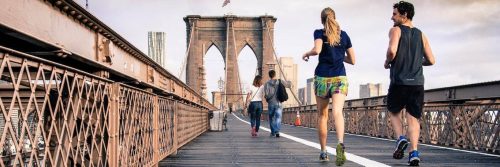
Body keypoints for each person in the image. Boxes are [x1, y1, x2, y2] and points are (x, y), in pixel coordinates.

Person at [302, 7, 356, 165]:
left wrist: (306, 53)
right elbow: (353, 60)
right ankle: (340, 144)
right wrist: (340, 55)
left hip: (322, 78)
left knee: (323, 116)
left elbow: (317, 49)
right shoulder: (344, 35)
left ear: (321, 19)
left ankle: (324, 151)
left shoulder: (319, 32)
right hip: (339, 77)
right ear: (334, 17)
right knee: (338, 113)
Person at [384, 1, 435, 166]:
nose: (392, 17)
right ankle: (413, 153)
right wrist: (417, 62)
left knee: (393, 111)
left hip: (399, 81)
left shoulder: (396, 30)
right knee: (413, 119)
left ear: (404, 15)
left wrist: (387, 62)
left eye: (394, 14)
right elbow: (431, 60)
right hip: (417, 83)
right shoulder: (421, 34)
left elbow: (392, 51)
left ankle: (400, 139)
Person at [264, 70, 286, 138]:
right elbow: (289, 85)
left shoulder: (267, 83)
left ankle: (273, 132)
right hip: (278, 103)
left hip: (271, 103)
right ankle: (277, 131)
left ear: (269, 75)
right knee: (278, 118)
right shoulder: (279, 82)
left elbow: (267, 94)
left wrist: (267, 98)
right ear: (275, 75)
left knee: (271, 118)